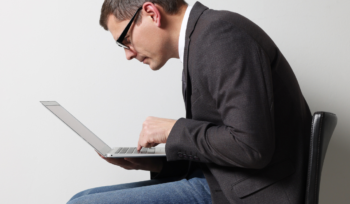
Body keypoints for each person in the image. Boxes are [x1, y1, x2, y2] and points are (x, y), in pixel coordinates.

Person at [67, 0, 312, 203]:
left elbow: (251, 147)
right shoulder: (204, 38)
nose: (128, 54)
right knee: (83, 197)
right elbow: (224, 151)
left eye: (126, 39)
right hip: (226, 182)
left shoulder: (221, 35)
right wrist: (158, 164)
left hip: (248, 194)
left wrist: (174, 130)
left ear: (151, 13)